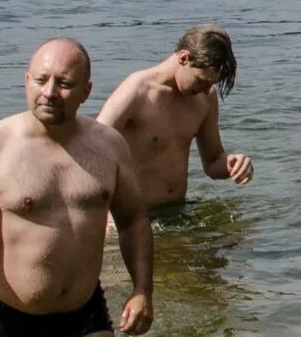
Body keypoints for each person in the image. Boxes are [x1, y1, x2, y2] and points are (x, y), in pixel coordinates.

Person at [0, 39, 154, 337]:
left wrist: (142, 291)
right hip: (6, 318)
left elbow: (133, 220)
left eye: (65, 84)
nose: (50, 92)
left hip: (84, 315)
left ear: (87, 91)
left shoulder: (109, 146)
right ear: (27, 81)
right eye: (41, 80)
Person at [97, 25, 254, 214]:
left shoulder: (205, 97)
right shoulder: (136, 91)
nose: (206, 90)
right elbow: (93, 148)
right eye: (201, 80)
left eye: (212, 84)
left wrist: (232, 163)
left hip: (178, 211)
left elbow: (212, 162)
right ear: (184, 58)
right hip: (132, 218)